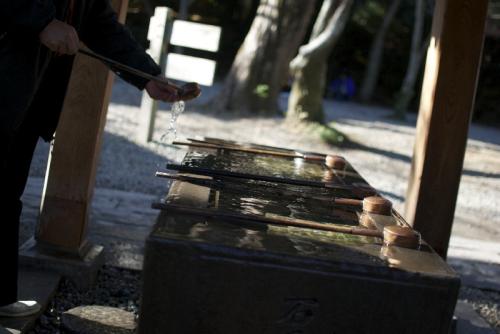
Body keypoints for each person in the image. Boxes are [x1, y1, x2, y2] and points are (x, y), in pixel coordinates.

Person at [0, 0, 200, 317]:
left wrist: (148, 75)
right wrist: (40, 21)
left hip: (24, 95)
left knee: (7, 191)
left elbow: (99, 22)